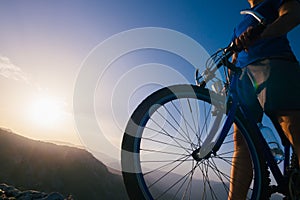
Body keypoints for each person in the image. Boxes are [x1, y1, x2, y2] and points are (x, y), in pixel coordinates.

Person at [228, 0, 300, 199]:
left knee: (291, 125)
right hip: (243, 76)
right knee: (241, 141)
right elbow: (235, 53)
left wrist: (261, 33)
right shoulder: (241, 22)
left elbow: (292, 15)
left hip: (273, 61)